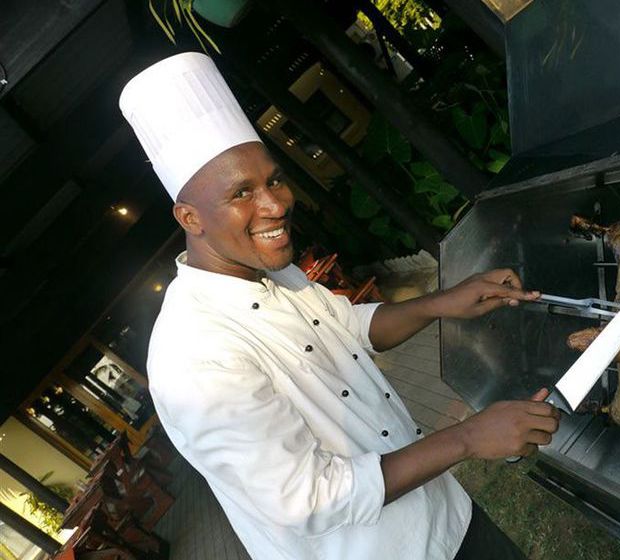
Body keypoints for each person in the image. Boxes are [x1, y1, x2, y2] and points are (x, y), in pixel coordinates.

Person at [120, 52, 560, 560]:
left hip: (444, 514)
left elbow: (350, 326)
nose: (276, 204)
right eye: (242, 193)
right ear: (190, 218)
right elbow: (308, 499)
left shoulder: (273, 273)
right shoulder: (191, 357)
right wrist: (468, 438)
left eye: (274, 180)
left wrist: (444, 302)